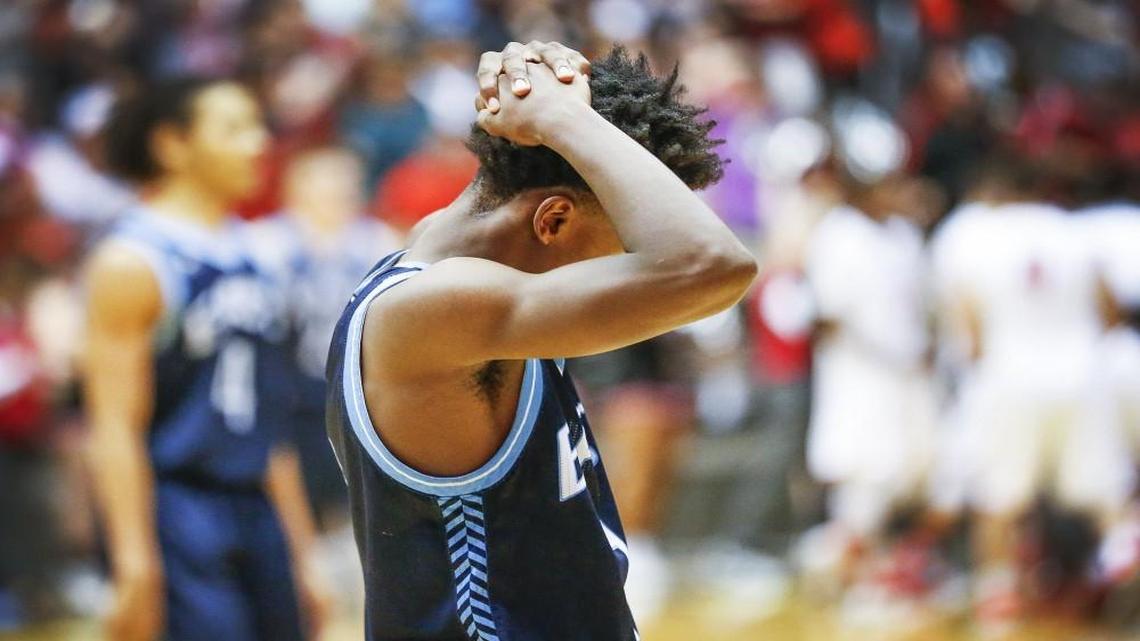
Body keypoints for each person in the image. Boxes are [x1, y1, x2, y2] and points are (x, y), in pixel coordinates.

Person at [326, 41, 756, 640]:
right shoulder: (440, 307)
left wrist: (545, 90)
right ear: (553, 220)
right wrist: (561, 117)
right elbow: (715, 266)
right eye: (623, 251)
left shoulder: (461, 272)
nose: (630, 269)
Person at [83, 78, 330, 641]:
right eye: (234, 128)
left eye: (258, 126)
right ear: (172, 144)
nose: (258, 143)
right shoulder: (132, 260)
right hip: (178, 508)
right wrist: (133, 561)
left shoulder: (262, 255)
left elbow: (270, 423)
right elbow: (114, 426)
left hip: (258, 505)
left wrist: (303, 550)